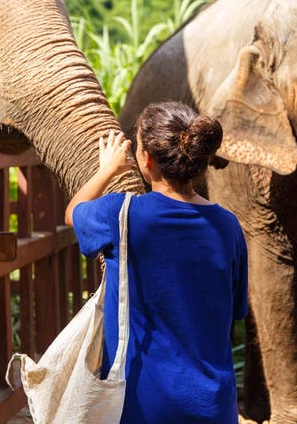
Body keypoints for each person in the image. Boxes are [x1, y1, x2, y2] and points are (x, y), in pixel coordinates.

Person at [65, 101, 249, 424]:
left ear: (145, 159)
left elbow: (73, 213)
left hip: (141, 406)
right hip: (213, 406)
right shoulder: (227, 226)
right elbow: (234, 312)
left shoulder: (120, 215)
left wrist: (106, 169)